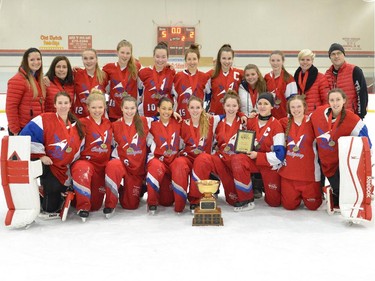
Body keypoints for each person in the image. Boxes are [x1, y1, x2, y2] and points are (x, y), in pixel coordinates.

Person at [20, 91, 84, 213]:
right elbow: (27, 136)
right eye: (60, 103)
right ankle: (42, 191)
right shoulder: (44, 119)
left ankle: (58, 192)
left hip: (65, 168)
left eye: (66, 103)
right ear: (54, 104)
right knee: (50, 209)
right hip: (49, 166)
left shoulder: (77, 125)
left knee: (57, 198)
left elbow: (80, 147)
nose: (63, 106)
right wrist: (41, 155)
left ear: (70, 105)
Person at [190, 91, 252, 211]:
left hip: (238, 160)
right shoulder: (216, 120)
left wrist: (242, 114)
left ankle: (247, 199)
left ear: (238, 106)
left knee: (237, 162)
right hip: (222, 159)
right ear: (223, 106)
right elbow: (198, 115)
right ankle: (197, 199)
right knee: (202, 159)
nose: (231, 108)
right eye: (228, 105)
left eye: (234, 106)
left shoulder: (245, 121)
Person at [310, 88, 371, 207]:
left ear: (344, 100)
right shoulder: (318, 114)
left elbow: (366, 141)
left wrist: (367, 156)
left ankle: (337, 193)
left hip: (340, 164)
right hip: (323, 160)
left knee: (340, 195)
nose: (335, 103)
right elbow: (305, 124)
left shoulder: (352, 119)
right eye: (332, 100)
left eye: (338, 99)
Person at [230, 92, 286, 208]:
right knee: (238, 159)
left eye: (266, 104)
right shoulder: (251, 122)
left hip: (270, 165)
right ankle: (246, 198)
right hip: (254, 161)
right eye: (260, 103)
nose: (262, 106)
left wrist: (258, 156)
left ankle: (267, 187)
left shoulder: (277, 125)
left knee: (274, 202)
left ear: (272, 106)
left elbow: (280, 156)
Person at [171, 96, 222, 212]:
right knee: (178, 163)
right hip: (188, 158)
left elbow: (229, 115)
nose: (195, 110)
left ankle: (195, 199)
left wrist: (242, 115)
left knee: (202, 159)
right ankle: (180, 201)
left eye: (198, 107)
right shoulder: (182, 123)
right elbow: (163, 118)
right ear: (187, 109)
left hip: (203, 160)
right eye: (192, 107)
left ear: (202, 109)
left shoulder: (211, 121)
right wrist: (172, 113)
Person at [103, 96, 151, 217]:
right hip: (121, 164)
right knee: (113, 165)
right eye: (126, 108)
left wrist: (174, 114)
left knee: (130, 206)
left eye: (132, 108)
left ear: (136, 108)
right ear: (121, 108)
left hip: (136, 170)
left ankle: (129, 189)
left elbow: (163, 118)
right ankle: (110, 204)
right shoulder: (114, 125)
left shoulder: (145, 121)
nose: (129, 111)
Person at [71, 91, 112, 220]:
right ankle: (82, 206)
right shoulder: (82, 123)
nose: (97, 110)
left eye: (100, 107)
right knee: (81, 168)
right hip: (87, 164)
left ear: (104, 107)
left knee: (95, 206)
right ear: (87, 107)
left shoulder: (108, 123)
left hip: (102, 167)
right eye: (93, 107)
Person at [279, 95, 322, 210]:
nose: (296, 109)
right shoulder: (284, 122)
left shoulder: (313, 122)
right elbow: (267, 124)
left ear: (304, 107)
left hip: (309, 175)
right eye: (293, 107)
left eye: (298, 106)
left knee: (313, 206)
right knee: (289, 206)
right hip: (289, 175)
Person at [146, 97, 182, 214]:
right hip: (158, 162)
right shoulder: (151, 122)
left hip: (172, 163)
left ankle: (179, 199)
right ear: (158, 109)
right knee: (154, 165)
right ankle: (152, 202)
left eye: (169, 109)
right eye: (163, 109)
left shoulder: (178, 122)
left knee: (167, 201)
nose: (166, 112)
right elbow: (132, 115)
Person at [6, 47, 46, 135]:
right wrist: (15, 130)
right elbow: (11, 107)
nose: (36, 62)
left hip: (35, 128)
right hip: (22, 129)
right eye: (32, 60)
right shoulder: (18, 80)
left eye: (38, 59)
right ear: (26, 61)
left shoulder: (38, 79)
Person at [325, 43, 368, 119]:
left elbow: (362, 93)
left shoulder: (355, 71)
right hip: (334, 118)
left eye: (339, 53)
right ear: (330, 57)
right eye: (333, 54)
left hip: (352, 116)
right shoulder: (327, 74)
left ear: (343, 55)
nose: (336, 56)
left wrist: (360, 115)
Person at [103, 40, 141, 122]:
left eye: (128, 53)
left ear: (131, 54)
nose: (125, 56)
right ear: (117, 52)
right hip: (114, 112)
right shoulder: (109, 68)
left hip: (131, 112)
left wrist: (166, 66)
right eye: (122, 52)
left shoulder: (136, 67)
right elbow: (96, 74)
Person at [172, 43, 210, 119]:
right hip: (181, 118)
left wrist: (206, 111)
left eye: (194, 59)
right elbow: (173, 97)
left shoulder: (205, 77)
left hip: (199, 118)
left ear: (198, 60)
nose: (192, 62)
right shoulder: (178, 76)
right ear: (185, 61)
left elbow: (209, 97)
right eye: (189, 59)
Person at [138, 41, 176, 117]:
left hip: (166, 116)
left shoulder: (171, 72)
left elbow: (175, 96)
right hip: (148, 116)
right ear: (153, 56)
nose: (160, 60)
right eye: (157, 56)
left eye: (163, 57)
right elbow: (138, 93)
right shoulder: (143, 72)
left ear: (167, 58)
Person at [206, 44, 243, 115]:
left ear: (233, 59)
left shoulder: (239, 74)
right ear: (219, 59)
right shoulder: (211, 75)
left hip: (233, 114)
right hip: (215, 114)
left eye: (229, 58)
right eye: (224, 58)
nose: (227, 61)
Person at [73, 48, 108, 118]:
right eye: (85, 58)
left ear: (96, 59)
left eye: (91, 58)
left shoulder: (104, 76)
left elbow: (108, 95)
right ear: (82, 60)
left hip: (98, 118)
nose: (88, 61)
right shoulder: (76, 74)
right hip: (80, 117)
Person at [264, 50, 297, 119]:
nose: (275, 63)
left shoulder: (289, 78)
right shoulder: (267, 77)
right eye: (273, 60)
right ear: (269, 61)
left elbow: (293, 99)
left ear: (283, 61)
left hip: (284, 116)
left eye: (278, 60)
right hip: (269, 116)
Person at [294, 49, 329, 114]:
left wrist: (322, 115)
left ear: (312, 61)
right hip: (300, 115)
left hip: (315, 115)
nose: (305, 62)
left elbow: (326, 100)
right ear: (299, 61)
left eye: (308, 60)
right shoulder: (295, 77)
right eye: (302, 60)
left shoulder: (321, 78)